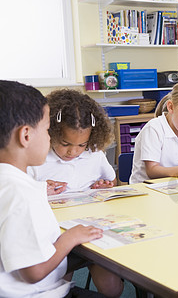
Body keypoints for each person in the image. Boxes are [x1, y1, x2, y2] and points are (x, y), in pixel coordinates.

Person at [0, 80, 111, 297]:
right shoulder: (23, 193)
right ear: (25, 136)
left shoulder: (13, 184)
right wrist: (69, 238)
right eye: (48, 130)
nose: (49, 137)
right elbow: (33, 272)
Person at [28, 89, 116, 195]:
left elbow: (112, 181)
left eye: (82, 145)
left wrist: (104, 186)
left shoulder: (95, 154)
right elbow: (22, 196)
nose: (73, 151)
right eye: (65, 144)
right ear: (51, 133)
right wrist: (40, 190)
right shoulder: (36, 161)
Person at [129, 80, 178, 183]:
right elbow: (152, 171)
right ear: (171, 107)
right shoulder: (153, 129)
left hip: (173, 186)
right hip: (147, 189)